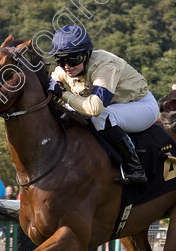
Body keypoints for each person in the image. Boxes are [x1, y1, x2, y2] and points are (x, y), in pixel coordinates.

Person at [48, 24, 158, 184]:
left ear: (86, 54)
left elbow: (95, 108)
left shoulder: (104, 66)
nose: (67, 66)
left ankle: (135, 168)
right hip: (112, 105)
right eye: (60, 60)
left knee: (102, 117)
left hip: (141, 106)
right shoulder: (65, 68)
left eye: (73, 59)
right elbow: (51, 84)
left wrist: (63, 94)